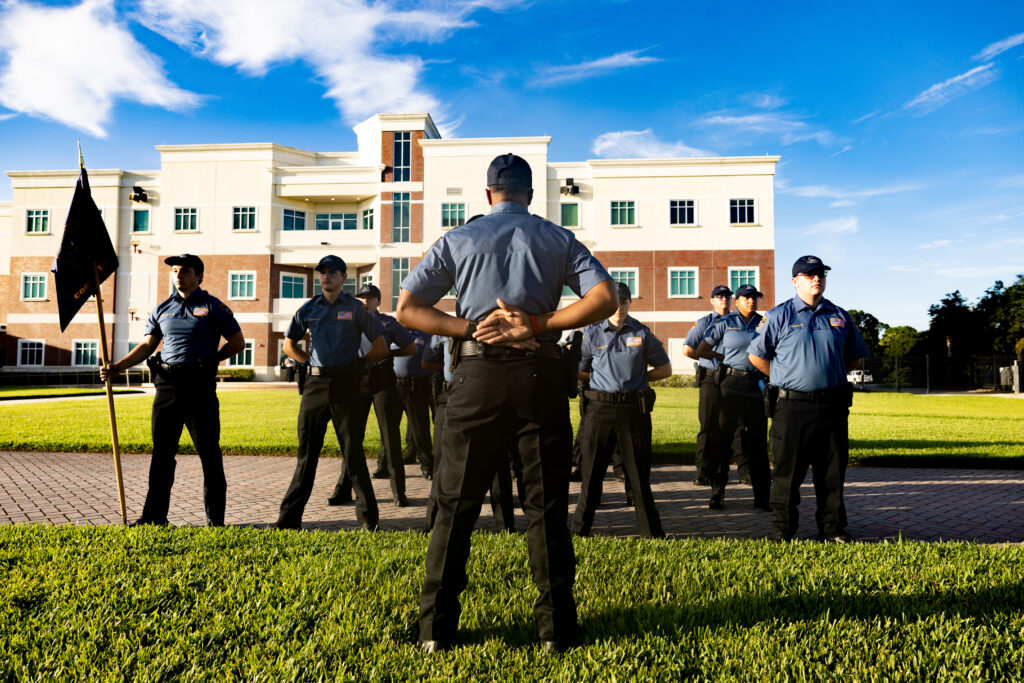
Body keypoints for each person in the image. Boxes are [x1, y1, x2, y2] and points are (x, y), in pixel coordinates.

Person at [397, 153, 617, 653]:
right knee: (546, 506)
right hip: (539, 375)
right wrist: (537, 325)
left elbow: (408, 309)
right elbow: (603, 298)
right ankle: (556, 632)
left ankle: (435, 632)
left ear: (489, 195)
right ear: (531, 196)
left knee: (455, 504)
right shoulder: (558, 238)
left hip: (475, 375)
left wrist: (469, 327)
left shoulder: (458, 238)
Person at [99, 254, 245, 527]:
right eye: (175, 271)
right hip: (167, 387)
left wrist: (213, 360)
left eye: (185, 271)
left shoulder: (213, 306)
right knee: (162, 454)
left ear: (199, 276)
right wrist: (117, 366)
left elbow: (238, 341)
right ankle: (154, 518)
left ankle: (216, 520)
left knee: (209, 453)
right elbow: (146, 346)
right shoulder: (162, 308)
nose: (178, 275)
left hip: (199, 386)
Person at [748, 256, 868, 543]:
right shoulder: (778, 316)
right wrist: (781, 376)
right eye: (809, 274)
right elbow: (756, 356)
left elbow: (854, 357)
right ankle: (782, 532)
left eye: (821, 274)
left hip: (832, 406)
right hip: (792, 407)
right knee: (788, 474)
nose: (817, 278)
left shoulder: (839, 315)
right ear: (795, 281)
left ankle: (832, 530)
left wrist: (827, 374)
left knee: (832, 473)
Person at [274, 255, 388, 531]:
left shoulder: (356, 308)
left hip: (346, 386)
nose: (326, 276)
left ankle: (368, 520)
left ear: (343, 277)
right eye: (322, 272)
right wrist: (308, 363)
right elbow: (289, 345)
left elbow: (380, 347)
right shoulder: (308, 308)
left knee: (353, 453)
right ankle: (288, 520)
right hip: (314, 387)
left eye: (332, 272)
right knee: (307, 454)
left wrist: (358, 365)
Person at [572, 282, 672, 538]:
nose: (620, 306)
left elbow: (664, 369)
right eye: (615, 302)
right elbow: (580, 371)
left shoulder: (642, 332)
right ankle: (579, 532)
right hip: (599, 410)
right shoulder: (590, 333)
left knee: (639, 477)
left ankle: (652, 535)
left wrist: (637, 379)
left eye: (625, 301)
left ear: (630, 303)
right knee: (592, 476)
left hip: (633, 411)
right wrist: (599, 380)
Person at [326, 283, 417, 507]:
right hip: (356, 381)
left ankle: (399, 493)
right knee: (352, 438)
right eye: (361, 297)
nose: (365, 301)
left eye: (369, 297)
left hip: (383, 380)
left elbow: (411, 347)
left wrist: (387, 352)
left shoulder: (387, 322)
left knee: (390, 436)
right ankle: (343, 490)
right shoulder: (349, 320)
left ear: (378, 301)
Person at [421, 335, 514, 534]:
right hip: (451, 393)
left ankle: (506, 526)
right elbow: (427, 361)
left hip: (489, 392)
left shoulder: (490, 322)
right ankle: (432, 523)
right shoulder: (442, 329)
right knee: (442, 462)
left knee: (498, 461)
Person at [694, 284, 772, 511]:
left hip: (756, 385)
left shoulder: (764, 322)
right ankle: (717, 493)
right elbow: (701, 350)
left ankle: (762, 497)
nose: (751, 301)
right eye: (746, 298)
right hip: (729, 385)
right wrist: (723, 357)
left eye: (755, 297)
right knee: (722, 439)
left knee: (757, 442)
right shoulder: (725, 322)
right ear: (736, 301)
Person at [682, 285, 733, 486]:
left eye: (727, 296)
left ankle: (744, 472)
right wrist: (711, 356)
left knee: (736, 426)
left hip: (732, 379)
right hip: (710, 377)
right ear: (712, 300)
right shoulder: (704, 322)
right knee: (708, 425)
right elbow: (688, 350)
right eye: (719, 297)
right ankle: (703, 471)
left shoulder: (738, 321)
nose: (723, 300)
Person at [393, 328, 435, 480]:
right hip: (394, 386)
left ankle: (427, 465)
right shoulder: (393, 332)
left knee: (420, 429)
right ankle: (384, 465)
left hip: (416, 386)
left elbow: (433, 358)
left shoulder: (426, 334)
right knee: (390, 428)